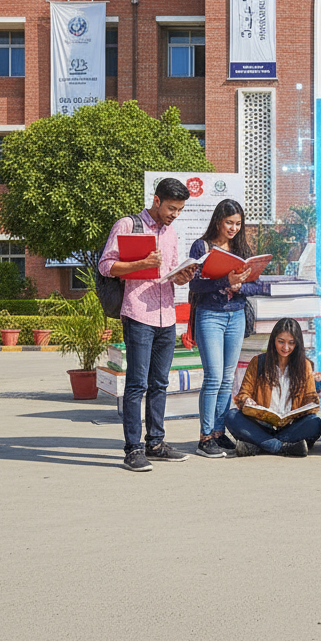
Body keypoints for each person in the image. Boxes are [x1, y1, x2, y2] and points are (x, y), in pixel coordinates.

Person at [99, 177, 198, 472]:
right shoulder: (128, 225)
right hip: (138, 314)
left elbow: (170, 272)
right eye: (171, 208)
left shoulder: (171, 232)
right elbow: (106, 265)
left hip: (166, 315)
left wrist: (182, 276)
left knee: (160, 383)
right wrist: (140, 264)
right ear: (156, 200)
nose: (175, 215)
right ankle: (133, 449)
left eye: (179, 210)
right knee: (137, 384)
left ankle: (156, 443)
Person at [188, 199, 264, 458]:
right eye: (229, 222)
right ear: (218, 221)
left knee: (228, 378)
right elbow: (194, 285)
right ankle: (205, 437)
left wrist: (240, 286)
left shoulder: (241, 248)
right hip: (210, 315)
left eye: (238, 223)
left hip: (236, 316)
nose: (233, 228)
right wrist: (224, 280)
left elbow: (257, 285)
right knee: (213, 377)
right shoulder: (202, 246)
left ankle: (219, 433)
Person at [225, 318, 321, 456]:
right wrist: (246, 400)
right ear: (273, 340)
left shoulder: (304, 365)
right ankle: (282, 447)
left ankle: (259, 445)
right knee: (232, 416)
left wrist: (312, 397)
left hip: (290, 427)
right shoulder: (258, 362)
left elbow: (312, 403)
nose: (286, 348)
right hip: (261, 425)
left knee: (315, 423)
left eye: (291, 343)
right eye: (281, 341)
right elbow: (243, 394)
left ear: (297, 344)